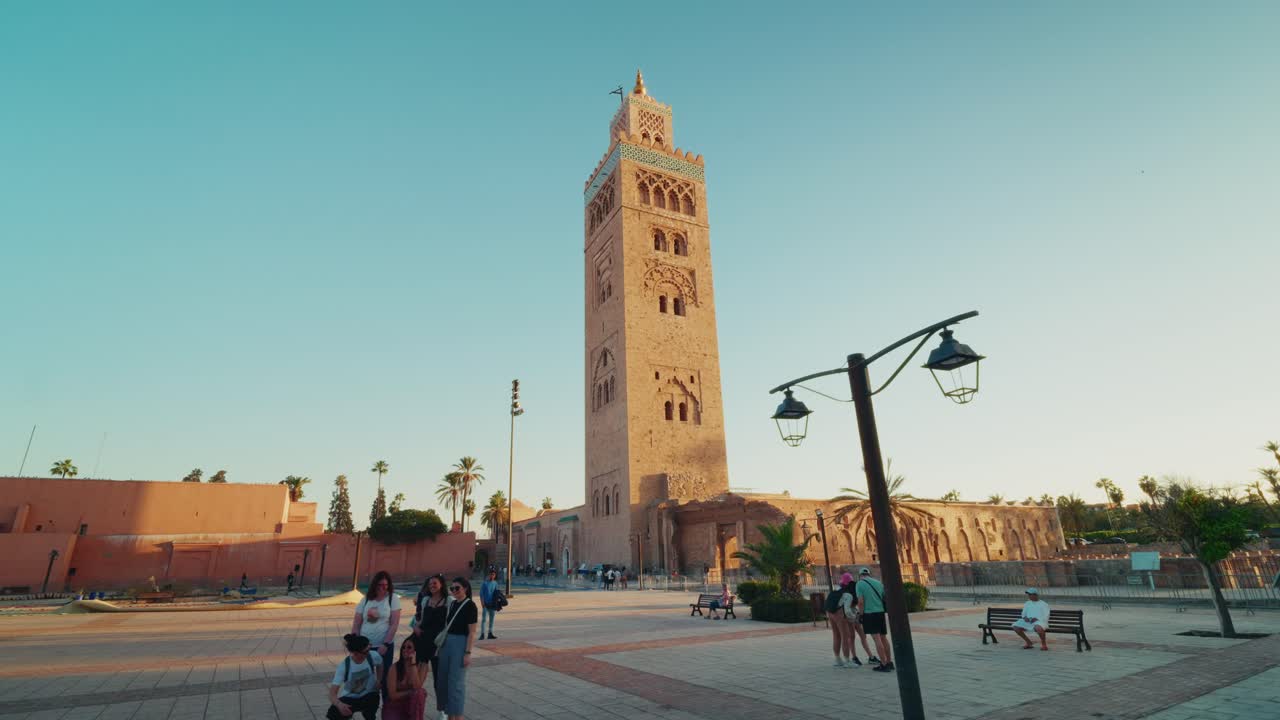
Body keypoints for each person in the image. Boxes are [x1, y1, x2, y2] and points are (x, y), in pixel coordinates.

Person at [434, 577, 478, 720]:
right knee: (443, 680)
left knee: (456, 682)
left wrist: (468, 653)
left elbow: (472, 632)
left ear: (465, 588)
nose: (454, 591)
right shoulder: (452, 604)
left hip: (461, 644)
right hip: (447, 643)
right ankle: (449, 714)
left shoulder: (470, 605)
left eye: (457, 588)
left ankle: (458, 716)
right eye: (452, 588)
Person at [352, 570, 402, 696]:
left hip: (383, 646)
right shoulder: (366, 600)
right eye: (380, 585)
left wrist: (385, 644)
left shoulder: (393, 598)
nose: (382, 588)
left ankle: (387, 710)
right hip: (365, 647)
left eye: (385, 585)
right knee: (364, 679)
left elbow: (394, 624)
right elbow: (357, 623)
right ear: (374, 585)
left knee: (384, 680)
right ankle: (368, 708)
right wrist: (355, 644)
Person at [326, 633, 382, 720]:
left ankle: (369, 716)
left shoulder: (373, 656)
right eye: (366, 651)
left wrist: (379, 679)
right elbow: (332, 694)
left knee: (372, 706)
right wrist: (339, 705)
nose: (369, 652)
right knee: (333, 712)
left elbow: (380, 664)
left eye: (369, 648)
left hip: (369, 696)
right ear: (355, 653)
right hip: (350, 698)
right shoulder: (344, 666)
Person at [855, 567, 894, 673]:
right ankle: (889, 662)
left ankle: (883, 663)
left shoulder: (859, 584)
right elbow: (884, 597)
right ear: (869, 574)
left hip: (869, 614)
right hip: (880, 613)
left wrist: (861, 614)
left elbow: (861, 602)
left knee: (876, 639)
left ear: (860, 575)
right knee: (883, 638)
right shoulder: (878, 583)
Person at [835, 572, 878, 667]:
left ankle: (855, 657)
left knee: (852, 637)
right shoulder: (855, 587)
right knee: (862, 636)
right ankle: (870, 656)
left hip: (848, 615)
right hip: (855, 614)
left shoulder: (842, 590)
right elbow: (859, 602)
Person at [413, 575, 447, 686]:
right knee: (419, 673)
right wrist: (415, 626)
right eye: (430, 584)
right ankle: (416, 698)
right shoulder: (426, 600)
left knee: (439, 678)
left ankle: (441, 703)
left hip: (439, 642)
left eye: (435, 583)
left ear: (441, 584)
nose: (432, 586)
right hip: (424, 639)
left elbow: (449, 623)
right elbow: (420, 618)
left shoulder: (448, 601)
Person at [382, 637, 427, 720]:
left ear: (416, 650)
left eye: (409, 647)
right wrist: (410, 692)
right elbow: (392, 695)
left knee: (420, 693)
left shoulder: (422, 666)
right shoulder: (394, 667)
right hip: (395, 705)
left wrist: (413, 664)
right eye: (403, 647)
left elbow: (417, 687)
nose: (405, 649)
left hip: (412, 704)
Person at [479, 570, 500, 640]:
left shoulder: (495, 583)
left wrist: (497, 602)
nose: (492, 576)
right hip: (486, 604)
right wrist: (482, 603)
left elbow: (497, 593)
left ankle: (490, 633)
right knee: (484, 620)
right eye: (491, 574)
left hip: (492, 604)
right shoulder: (484, 583)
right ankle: (482, 634)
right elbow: (481, 594)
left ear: (495, 576)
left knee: (492, 619)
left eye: (493, 575)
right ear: (489, 575)